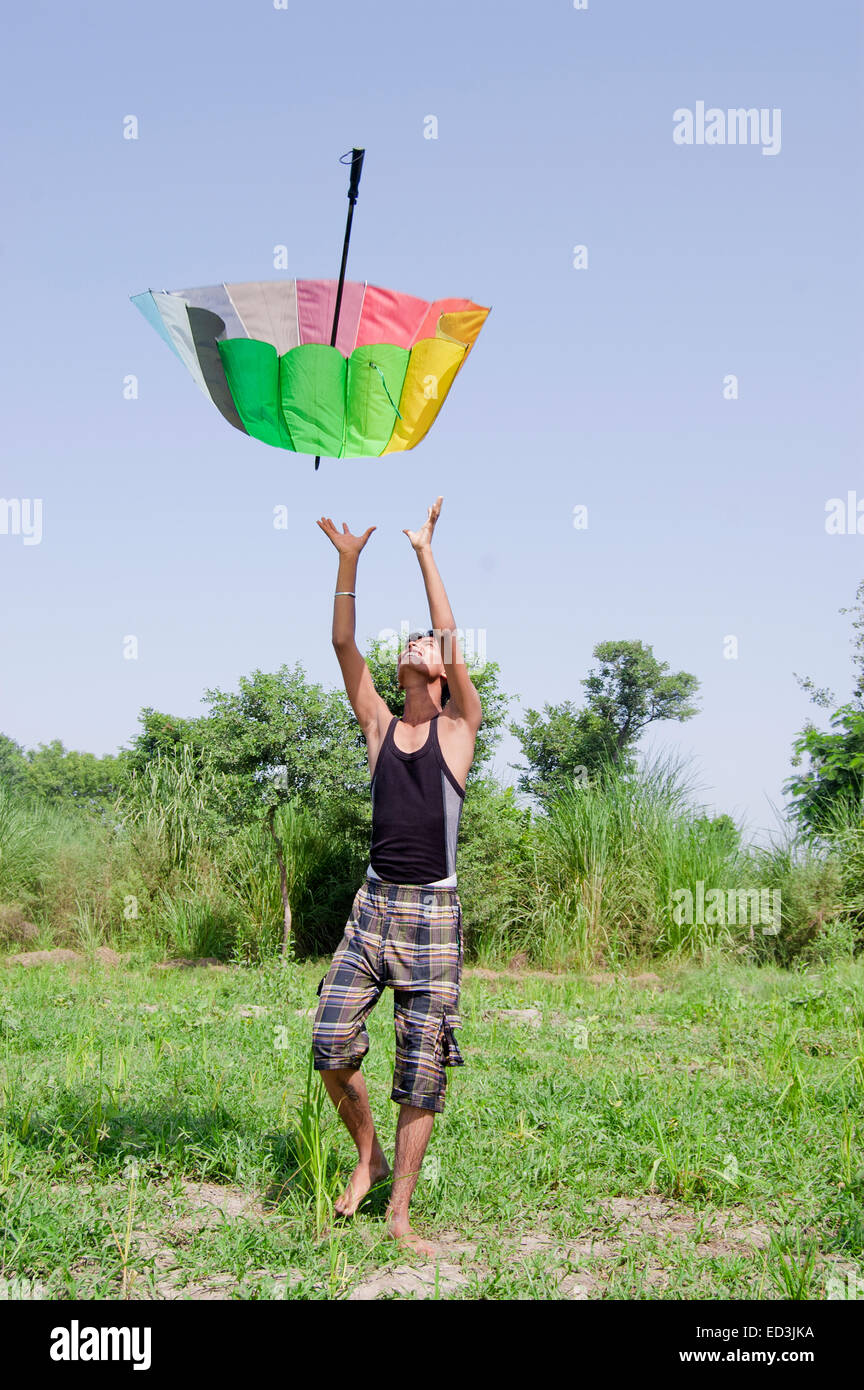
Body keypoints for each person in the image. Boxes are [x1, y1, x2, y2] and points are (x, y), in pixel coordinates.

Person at [312, 496, 482, 1256]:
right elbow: (344, 644)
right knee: (329, 1040)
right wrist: (349, 562)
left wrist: (424, 550)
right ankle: (368, 1156)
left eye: (427, 645)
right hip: (372, 908)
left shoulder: (457, 730)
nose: (417, 644)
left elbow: (448, 632)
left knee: (422, 1066)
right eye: (410, 641)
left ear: (441, 673)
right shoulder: (381, 726)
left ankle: (401, 1211)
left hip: (433, 917)